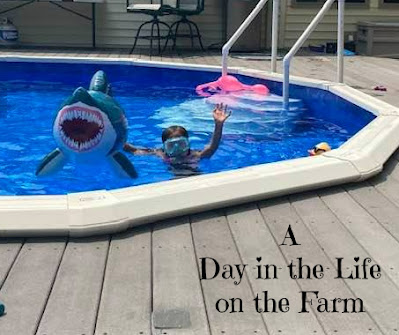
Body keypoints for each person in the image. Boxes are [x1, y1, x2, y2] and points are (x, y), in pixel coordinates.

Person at [123, 103, 231, 175]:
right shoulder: (161, 153)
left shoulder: (194, 155)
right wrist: (113, 137)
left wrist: (218, 125)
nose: (177, 149)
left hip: (195, 177)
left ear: (188, 144)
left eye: (181, 144)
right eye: (171, 145)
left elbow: (212, 147)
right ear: (165, 147)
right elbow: (133, 150)